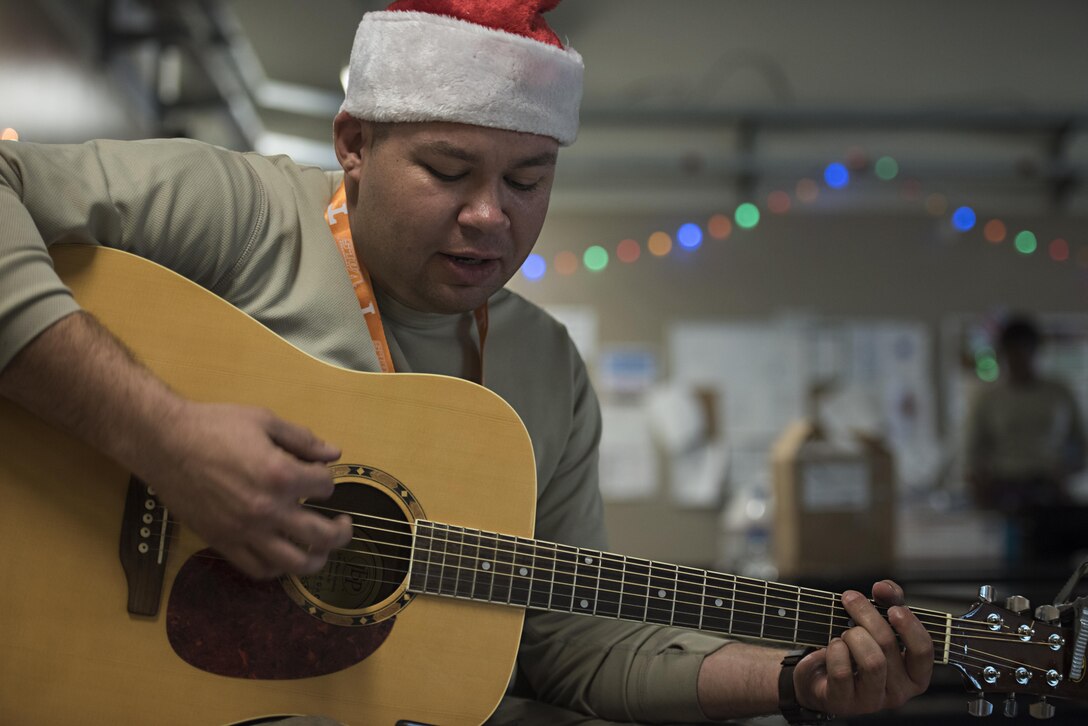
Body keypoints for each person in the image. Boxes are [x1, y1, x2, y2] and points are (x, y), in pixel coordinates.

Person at [0, 1, 933, 723]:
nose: (492, 214)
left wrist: (794, 681)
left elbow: (574, 643)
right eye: (449, 172)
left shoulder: (544, 368)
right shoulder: (247, 217)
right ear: (353, 144)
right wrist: (163, 439)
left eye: (528, 180)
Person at [964, 314, 1087, 511]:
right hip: (1004, 486)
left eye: (1023, 351)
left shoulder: (1059, 393)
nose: (1018, 359)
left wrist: (1067, 470)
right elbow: (973, 451)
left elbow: (1080, 444)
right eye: (1011, 352)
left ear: (1035, 351)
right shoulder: (989, 398)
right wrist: (978, 485)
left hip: (1049, 484)